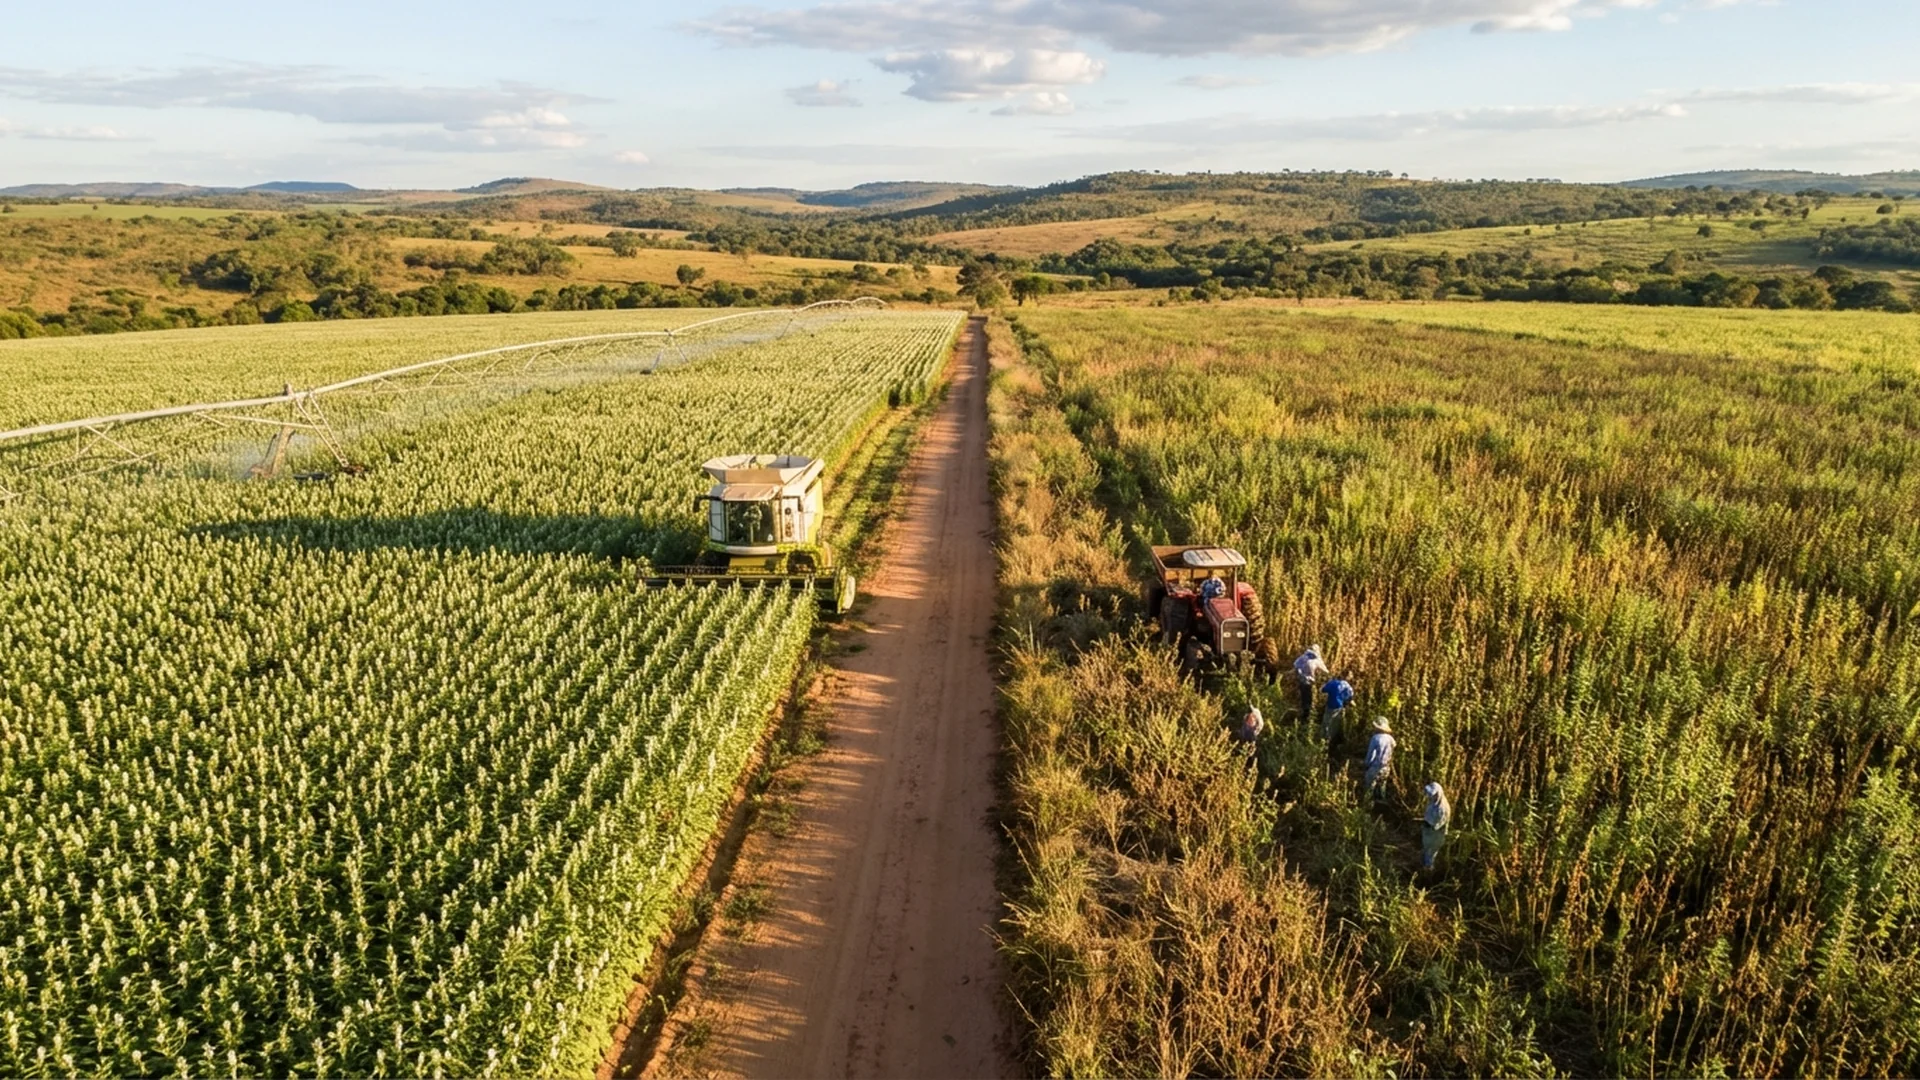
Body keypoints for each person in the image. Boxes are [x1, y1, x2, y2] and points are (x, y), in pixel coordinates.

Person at [1363, 717, 1395, 803]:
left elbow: (1371, 754)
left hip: (1375, 766)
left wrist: (1366, 764)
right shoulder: (1391, 739)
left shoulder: (1375, 738)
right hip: (1386, 767)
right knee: (1382, 785)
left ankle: (1367, 804)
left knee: (1369, 785)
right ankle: (1382, 803)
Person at [1293, 645, 1328, 721]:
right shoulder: (1316, 659)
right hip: (1310, 683)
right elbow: (1325, 671)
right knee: (1310, 699)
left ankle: (1304, 715)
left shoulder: (1302, 657)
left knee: (1304, 699)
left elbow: (1295, 665)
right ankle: (1308, 717)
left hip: (1301, 681)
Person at [1421, 781, 1451, 870]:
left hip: (1436, 835)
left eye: (1432, 795)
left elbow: (1433, 825)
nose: (1429, 796)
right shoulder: (1435, 802)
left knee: (1430, 853)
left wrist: (1424, 823)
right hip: (1430, 832)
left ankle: (1428, 870)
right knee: (1427, 850)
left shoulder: (1441, 809)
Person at [1320, 673, 1354, 752]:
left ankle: (1325, 740)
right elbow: (1350, 696)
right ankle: (1337, 740)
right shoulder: (1347, 685)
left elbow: (1323, 690)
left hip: (1331, 706)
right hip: (1340, 706)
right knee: (1338, 722)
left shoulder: (1333, 683)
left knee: (1326, 722)